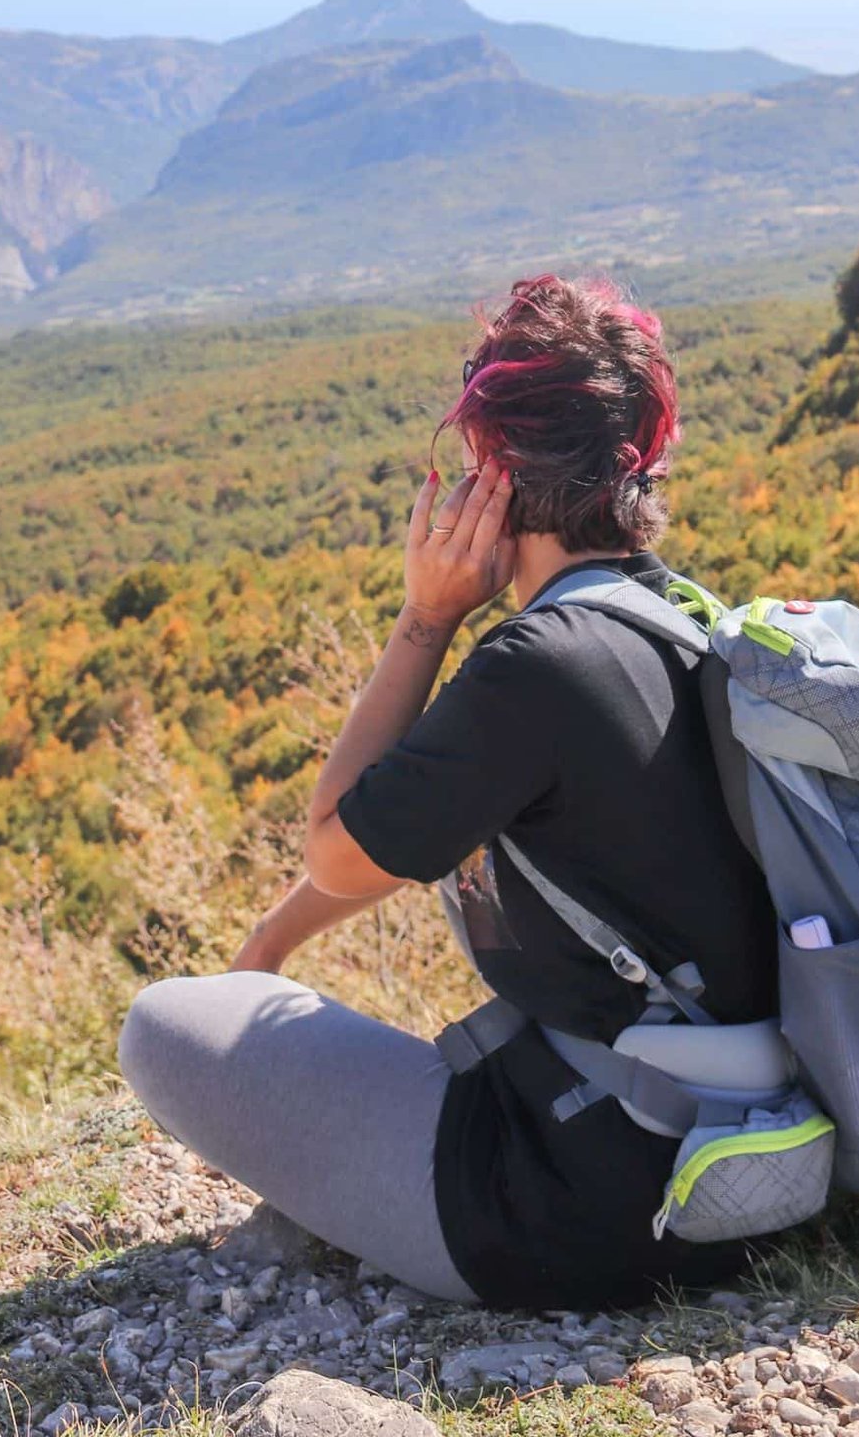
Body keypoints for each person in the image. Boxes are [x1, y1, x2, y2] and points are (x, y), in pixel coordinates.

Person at [118, 274, 780, 1309]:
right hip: (745, 1163)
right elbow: (416, 825)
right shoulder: (675, 623)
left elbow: (337, 842)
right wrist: (271, 943)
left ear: (492, 471)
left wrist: (423, 619)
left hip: (576, 1209)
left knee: (161, 1024)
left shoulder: (536, 663)